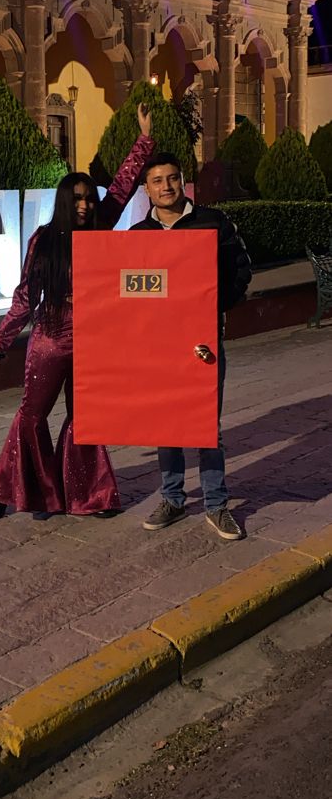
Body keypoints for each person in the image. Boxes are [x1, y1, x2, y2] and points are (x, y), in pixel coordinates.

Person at [0, 106, 155, 521]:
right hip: (50, 339)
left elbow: (121, 187)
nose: (83, 205)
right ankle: (6, 491)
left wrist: (144, 139)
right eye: (75, 199)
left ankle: (88, 496)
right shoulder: (44, 240)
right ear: (64, 201)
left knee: (86, 419)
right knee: (32, 415)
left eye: (87, 199)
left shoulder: (100, 231)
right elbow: (25, 297)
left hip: (92, 340)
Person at [130, 152, 252, 540]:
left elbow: (241, 269)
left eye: (172, 178)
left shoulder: (212, 222)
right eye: (157, 181)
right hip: (159, 347)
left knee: (205, 426)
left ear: (183, 181)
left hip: (203, 342)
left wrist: (213, 304)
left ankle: (216, 506)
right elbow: (128, 291)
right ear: (146, 189)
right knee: (166, 422)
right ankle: (173, 498)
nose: (166, 187)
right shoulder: (138, 237)